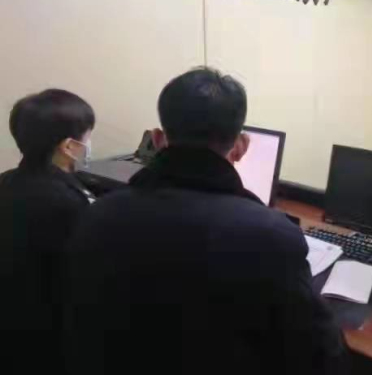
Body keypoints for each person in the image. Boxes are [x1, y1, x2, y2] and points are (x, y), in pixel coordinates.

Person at [64, 68, 348, 375]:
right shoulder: (271, 236)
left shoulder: (97, 214)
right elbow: (320, 354)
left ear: (157, 140)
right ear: (241, 146)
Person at [0, 89, 96, 375]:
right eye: (87, 137)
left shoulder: (5, 181)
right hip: (48, 339)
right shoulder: (71, 204)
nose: (89, 144)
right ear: (69, 146)